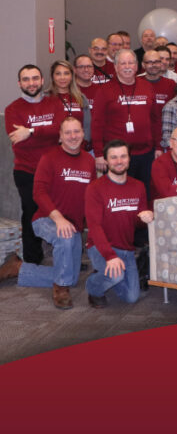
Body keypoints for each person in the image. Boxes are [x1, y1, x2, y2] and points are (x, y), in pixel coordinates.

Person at [16, 117, 94, 308]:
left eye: (76, 131)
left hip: (73, 224)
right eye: (67, 133)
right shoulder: (49, 158)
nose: (73, 136)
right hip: (45, 218)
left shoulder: (89, 161)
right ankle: (60, 288)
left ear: (83, 134)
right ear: (60, 137)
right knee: (64, 238)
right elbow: (38, 193)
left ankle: (18, 268)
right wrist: (58, 218)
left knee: (72, 276)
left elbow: (90, 198)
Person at [4, 65, 65, 278]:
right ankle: (32, 259)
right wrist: (44, 135)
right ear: (20, 83)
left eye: (35, 78)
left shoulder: (54, 103)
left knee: (60, 211)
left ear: (42, 81)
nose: (31, 83)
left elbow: (60, 131)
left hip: (55, 170)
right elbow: (19, 142)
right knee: (31, 214)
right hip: (27, 171)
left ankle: (64, 255)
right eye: (26, 79)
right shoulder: (13, 109)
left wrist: (30, 131)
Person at [84, 140, 154, 308]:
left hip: (126, 249)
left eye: (123, 156)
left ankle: (106, 274)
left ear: (129, 159)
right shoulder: (95, 188)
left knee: (131, 297)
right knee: (115, 276)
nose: (119, 161)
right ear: (106, 161)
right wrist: (109, 256)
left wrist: (146, 217)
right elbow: (94, 226)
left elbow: (137, 223)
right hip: (101, 246)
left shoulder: (138, 186)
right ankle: (93, 286)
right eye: (113, 157)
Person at [91, 50, 161, 190]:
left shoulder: (147, 87)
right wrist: (98, 154)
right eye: (123, 63)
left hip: (146, 154)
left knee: (144, 193)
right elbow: (97, 123)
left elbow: (155, 119)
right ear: (116, 67)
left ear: (136, 66)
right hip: (117, 156)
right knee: (119, 195)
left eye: (131, 63)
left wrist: (158, 147)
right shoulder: (104, 90)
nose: (127, 66)